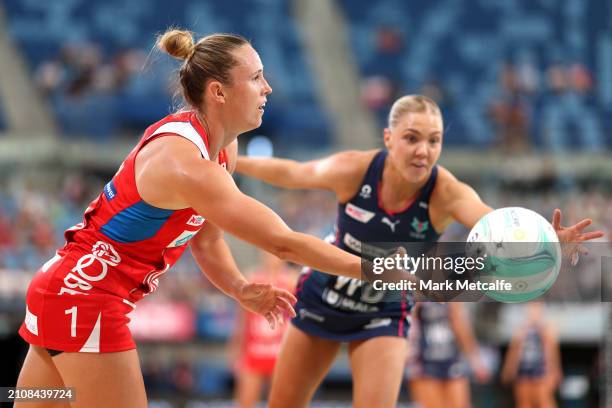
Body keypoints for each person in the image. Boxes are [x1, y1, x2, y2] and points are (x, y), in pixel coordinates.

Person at [15, 29, 381, 408]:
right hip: (84, 299)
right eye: (256, 77)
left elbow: (206, 239)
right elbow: (281, 242)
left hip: (63, 292)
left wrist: (239, 288)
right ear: (218, 92)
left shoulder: (220, 148)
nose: (268, 88)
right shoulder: (186, 164)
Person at [236, 94, 604, 408]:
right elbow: (291, 172)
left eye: (434, 140)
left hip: (383, 309)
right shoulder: (355, 169)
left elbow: (496, 225)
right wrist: (231, 162)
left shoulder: (447, 192)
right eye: (411, 138)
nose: (423, 151)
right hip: (323, 296)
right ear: (388, 138)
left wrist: (542, 239)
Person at [228, 251, 297, 408]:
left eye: (274, 255)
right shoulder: (252, 279)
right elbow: (242, 320)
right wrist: (236, 348)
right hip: (254, 350)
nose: (271, 258)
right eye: (268, 254)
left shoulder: (291, 280)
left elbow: (298, 320)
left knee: (282, 403)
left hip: (280, 352)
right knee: (244, 402)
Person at [406, 302, 489, 408]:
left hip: (451, 356)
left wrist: (475, 360)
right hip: (423, 359)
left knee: (460, 404)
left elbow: (460, 324)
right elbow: (408, 321)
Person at [501, 302, 562, 408]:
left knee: (544, 401)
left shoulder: (547, 329)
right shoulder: (521, 330)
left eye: (536, 309)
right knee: (524, 403)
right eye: (530, 309)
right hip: (523, 370)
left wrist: (555, 371)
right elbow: (514, 352)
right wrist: (508, 369)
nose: (533, 312)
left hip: (541, 370)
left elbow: (552, 351)